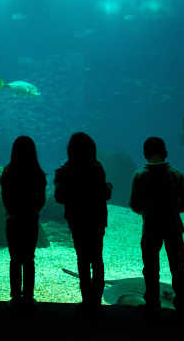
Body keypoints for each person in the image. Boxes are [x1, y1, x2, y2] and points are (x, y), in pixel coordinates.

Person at [129, 136, 184, 317]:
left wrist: (148, 211)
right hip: (173, 226)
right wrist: (172, 210)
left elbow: (134, 205)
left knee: (150, 268)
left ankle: (152, 302)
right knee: (178, 267)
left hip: (150, 227)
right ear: (165, 153)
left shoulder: (140, 175)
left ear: (145, 154)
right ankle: (182, 302)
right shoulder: (176, 175)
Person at [54, 132, 112, 315]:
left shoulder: (66, 170)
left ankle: (86, 300)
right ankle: (96, 302)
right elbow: (105, 194)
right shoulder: (97, 168)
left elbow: (59, 197)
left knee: (82, 260)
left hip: (77, 220)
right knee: (97, 260)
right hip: (96, 220)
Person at [0, 136, 47, 309]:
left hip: (12, 220)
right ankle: (28, 295)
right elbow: (41, 199)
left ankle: (15, 296)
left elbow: (4, 197)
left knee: (14, 258)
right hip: (30, 219)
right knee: (29, 259)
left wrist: (12, 211)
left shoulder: (8, 172)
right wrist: (33, 210)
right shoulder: (37, 173)